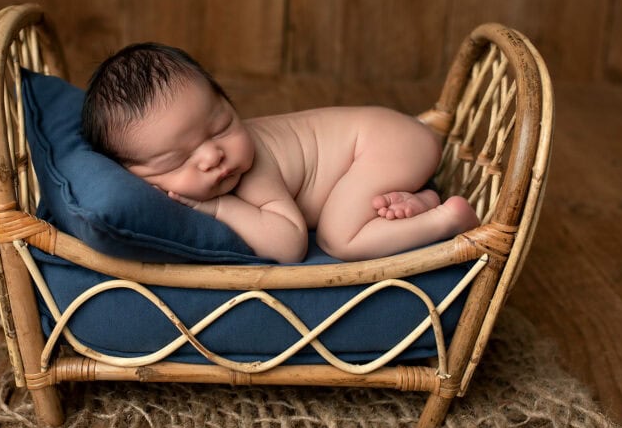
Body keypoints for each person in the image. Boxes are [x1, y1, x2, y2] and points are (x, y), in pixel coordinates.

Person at [82, 43, 480, 263]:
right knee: (353, 206)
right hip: (387, 147)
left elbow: (290, 245)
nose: (212, 157)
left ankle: (446, 220)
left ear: (229, 104)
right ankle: (422, 200)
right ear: (132, 174)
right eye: (176, 161)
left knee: (340, 237)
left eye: (222, 127)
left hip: (386, 143)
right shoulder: (154, 172)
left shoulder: (253, 168)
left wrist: (219, 209)